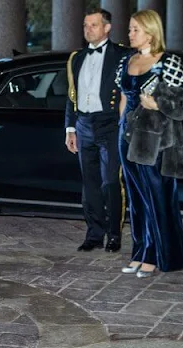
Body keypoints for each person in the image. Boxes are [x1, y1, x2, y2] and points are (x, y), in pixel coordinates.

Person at [116, 10, 183, 278]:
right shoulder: (127, 60)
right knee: (136, 199)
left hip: (155, 140)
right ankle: (141, 253)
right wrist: (120, 128)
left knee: (158, 198)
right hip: (126, 136)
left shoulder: (169, 63)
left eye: (135, 29)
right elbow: (124, 99)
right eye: (130, 29)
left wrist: (158, 104)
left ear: (150, 31)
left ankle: (161, 256)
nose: (130, 33)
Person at [65, 8, 131, 253]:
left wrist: (125, 126)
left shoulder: (123, 56)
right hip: (83, 125)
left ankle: (114, 235)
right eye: (85, 25)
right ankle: (94, 234)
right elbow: (71, 96)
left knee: (111, 182)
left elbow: (130, 93)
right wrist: (70, 128)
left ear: (107, 28)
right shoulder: (77, 58)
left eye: (93, 25)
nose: (87, 29)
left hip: (110, 125)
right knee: (89, 184)